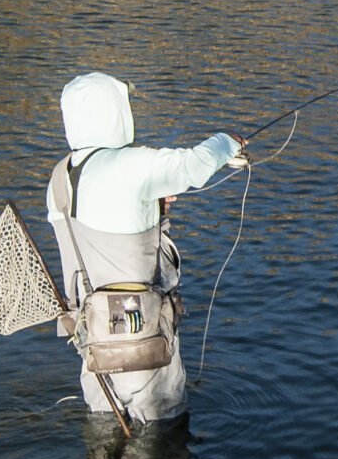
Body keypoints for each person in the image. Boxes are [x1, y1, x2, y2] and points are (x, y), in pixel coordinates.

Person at [45, 72, 242, 424]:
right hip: (144, 345)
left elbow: (103, 232)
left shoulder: (60, 176)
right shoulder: (131, 164)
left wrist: (153, 210)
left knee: (104, 440)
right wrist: (227, 142)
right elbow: (193, 166)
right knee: (162, 446)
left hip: (93, 348)